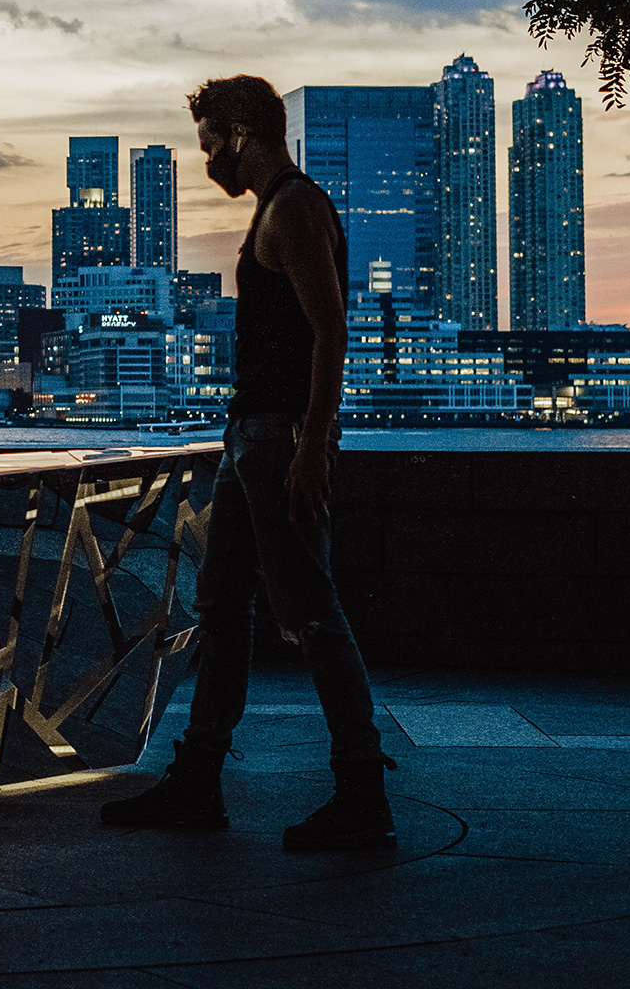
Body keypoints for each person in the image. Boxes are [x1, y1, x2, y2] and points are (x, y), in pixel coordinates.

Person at [97, 75, 394, 851]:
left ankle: (364, 793)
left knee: (311, 613)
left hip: (276, 441)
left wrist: (310, 447)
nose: (205, 165)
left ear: (239, 133)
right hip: (249, 440)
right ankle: (199, 780)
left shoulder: (293, 206)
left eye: (207, 145)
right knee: (222, 607)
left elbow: (331, 332)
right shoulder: (276, 207)